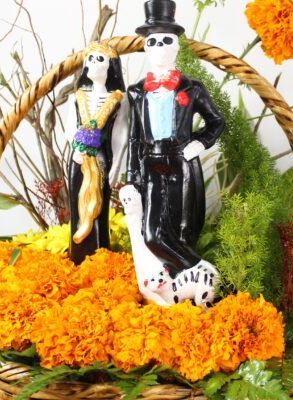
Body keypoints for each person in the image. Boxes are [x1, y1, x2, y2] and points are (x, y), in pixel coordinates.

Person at [120, 0, 225, 278]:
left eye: (166, 41)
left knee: (183, 227)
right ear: (145, 46)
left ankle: (180, 284)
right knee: (152, 233)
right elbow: (134, 137)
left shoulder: (192, 88)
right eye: (153, 42)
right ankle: (204, 273)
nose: (160, 47)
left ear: (177, 45)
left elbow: (216, 121)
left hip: (182, 159)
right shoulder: (136, 92)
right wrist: (131, 179)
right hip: (150, 162)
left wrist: (199, 143)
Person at [65, 42, 128, 265]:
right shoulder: (77, 97)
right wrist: (76, 148)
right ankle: (77, 254)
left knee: (99, 207)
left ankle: (99, 253)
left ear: (111, 66)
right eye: (90, 58)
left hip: (103, 160)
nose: (93, 63)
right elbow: (70, 129)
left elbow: (121, 135)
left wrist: (116, 166)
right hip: (78, 159)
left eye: (99, 59)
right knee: (77, 204)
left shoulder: (119, 99)